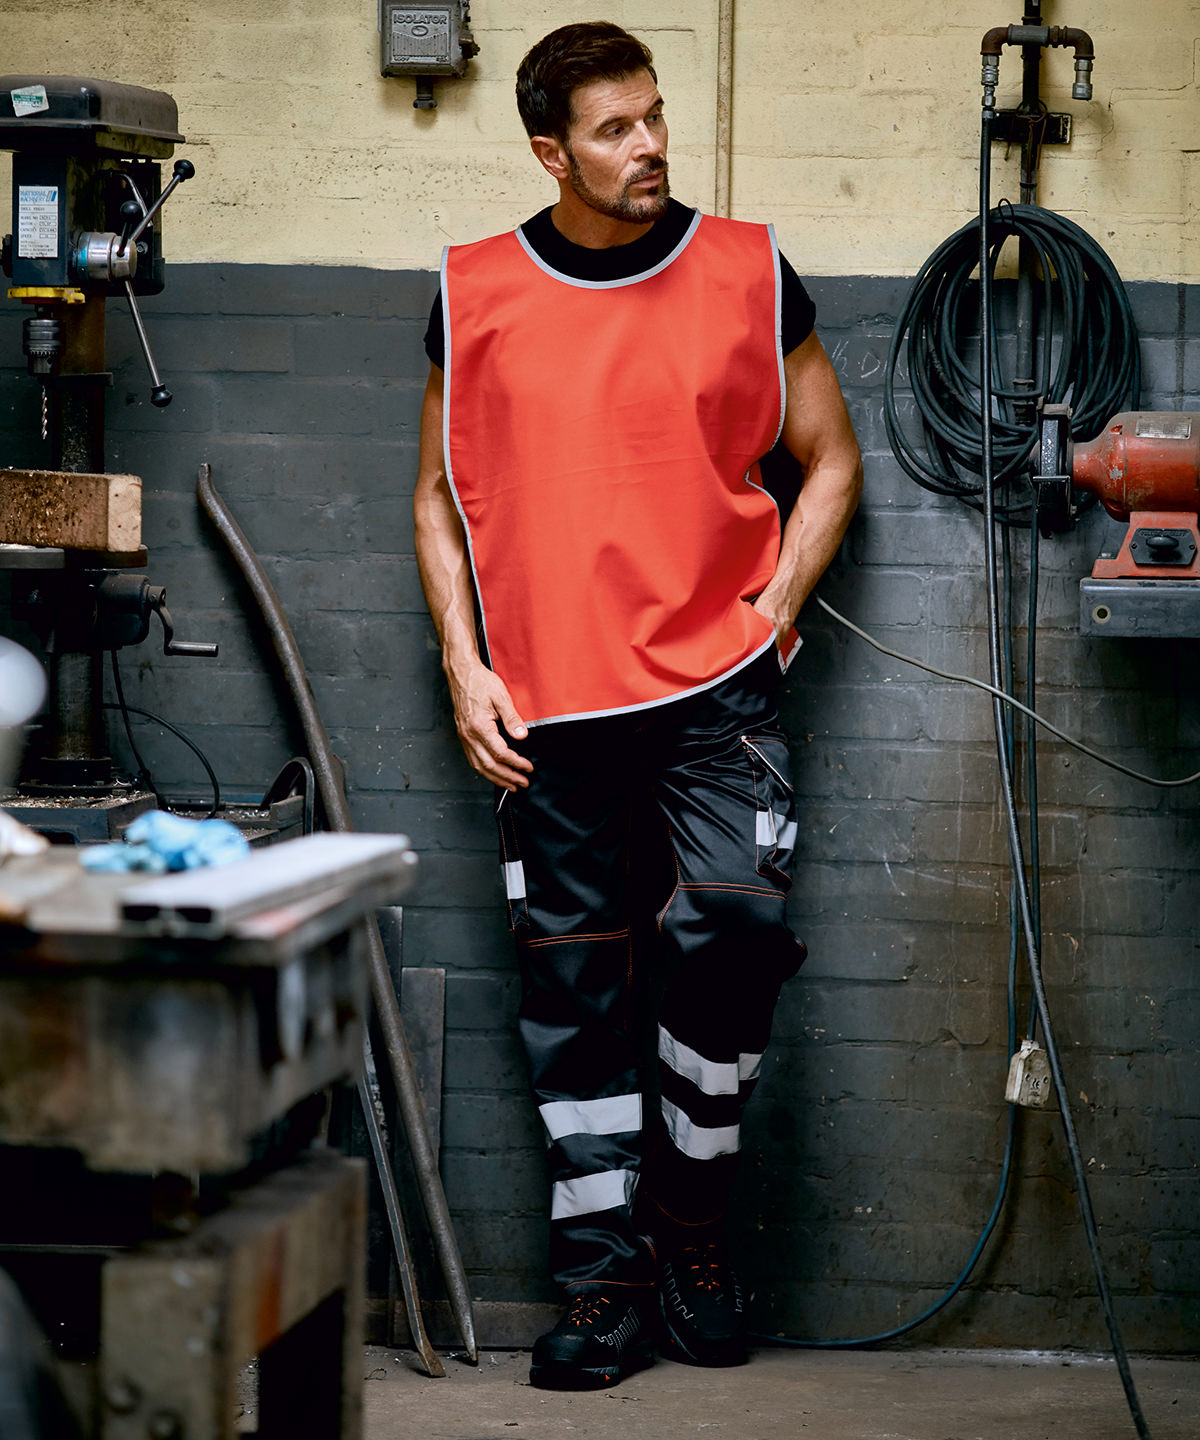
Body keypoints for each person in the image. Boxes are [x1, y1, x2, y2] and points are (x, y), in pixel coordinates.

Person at [414, 20, 862, 1392]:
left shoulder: (745, 271)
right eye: (615, 129)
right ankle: (603, 1287)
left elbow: (832, 459)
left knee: (734, 936)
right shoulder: (476, 291)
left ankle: (690, 1233)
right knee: (575, 993)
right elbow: (437, 500)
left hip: (716, 694)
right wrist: (464, 665)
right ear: (550, 153)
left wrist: (774, 609)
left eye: (654, 115)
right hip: (549, 708)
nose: (650, 144)